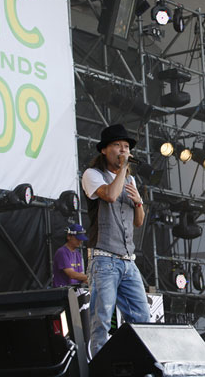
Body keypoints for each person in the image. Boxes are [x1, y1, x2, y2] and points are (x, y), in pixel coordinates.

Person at [82, 124, 150, 357]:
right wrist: (123, 169)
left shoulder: (129, 180)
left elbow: (138, 222)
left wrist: (139, 202)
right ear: (104, 150)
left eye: (126, 147)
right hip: (104, 259)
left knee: (142, 318)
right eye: (118, 146)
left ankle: (138, 364)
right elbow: (110, 196)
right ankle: (100, 367)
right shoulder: (92, 175)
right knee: (102, 320)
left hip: (128, 261)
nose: (123, 150)